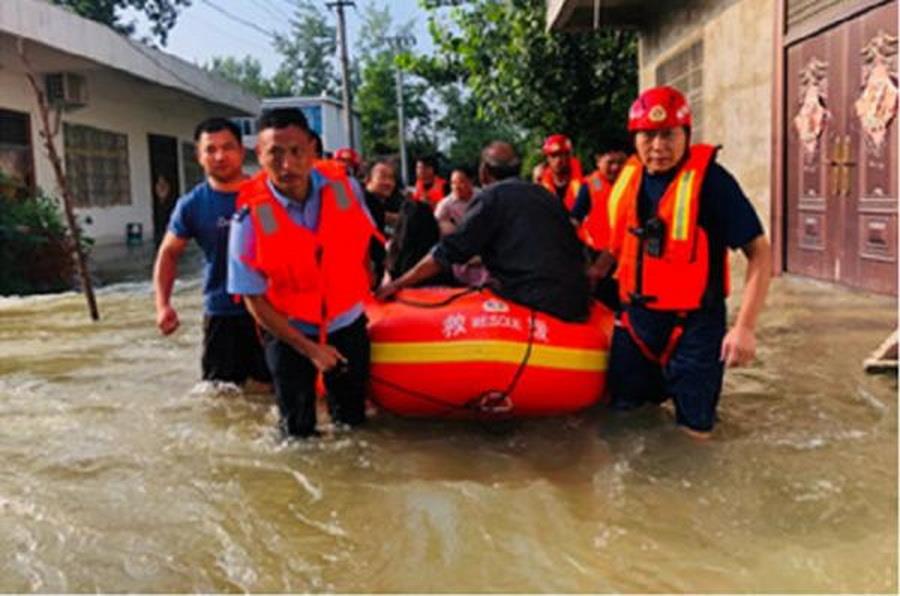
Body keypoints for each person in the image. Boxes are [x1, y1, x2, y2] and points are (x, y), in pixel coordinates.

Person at [602, 86, 772, 439]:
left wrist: (745, 327)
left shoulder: (713, 182)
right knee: (623, 423)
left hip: (694, 328)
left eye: (668, 135)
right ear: (635, 138)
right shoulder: (628, 180)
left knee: (695, 436)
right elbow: (616, 250)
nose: (659, 146)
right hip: (636, 325)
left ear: (686, 134)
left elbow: (760, 252)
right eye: (648, 135)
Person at [227, 108, 378, 438]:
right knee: (297, 436)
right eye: (275, 154)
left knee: (355, 429)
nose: (288, 165)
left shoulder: (346, 189)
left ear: (312, 148)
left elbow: (363, 245)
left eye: (296, 151)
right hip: (289, 334)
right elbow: (253, 299)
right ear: (259, 156)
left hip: (346, 324)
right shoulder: (249, 218)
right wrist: (310, 350)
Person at [377, 141, 590, 322]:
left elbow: (449, 252)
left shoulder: (490, 199)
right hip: (577, 297)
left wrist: (397, 283)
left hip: (538, 299)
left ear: (483, 173)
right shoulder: (545, 195)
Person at [153, 117, 270, 388]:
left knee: (274, 391)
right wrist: (163, 305)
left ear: (242, 151)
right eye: (210, 149)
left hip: (271, 311)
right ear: (198, 156)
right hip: (222, 312)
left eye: (228, 147)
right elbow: (169, 253)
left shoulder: (267, 193)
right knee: (222, 397)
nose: (220, 156)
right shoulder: (192, 204)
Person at [434, 166, 488, 287]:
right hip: (460, 250)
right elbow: (435, 225)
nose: (456, 187)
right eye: (453, 183)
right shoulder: (445, 205)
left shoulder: (484, 198)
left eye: (461, 182)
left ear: (471, 181)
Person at [570, 140, 629, 250]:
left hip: (626, 253)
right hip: (597, 252)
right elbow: (575, 219)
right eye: (610, 162)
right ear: (598, 161)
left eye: (621, 162)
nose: (615, 167)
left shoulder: (634, 184)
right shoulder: (591, 185)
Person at [362, 159, 404, 285]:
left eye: (391, 178)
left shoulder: (376, 203)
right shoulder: (364, 202)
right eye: (382, 177)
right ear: (368, 180)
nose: (388, 182)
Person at [538, 134, 583, 212]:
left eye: (561, 155)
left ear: (568, 156)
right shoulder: (541, 183)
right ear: (547, 158)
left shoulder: (585, 182)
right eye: (553, 156)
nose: (558, 160)